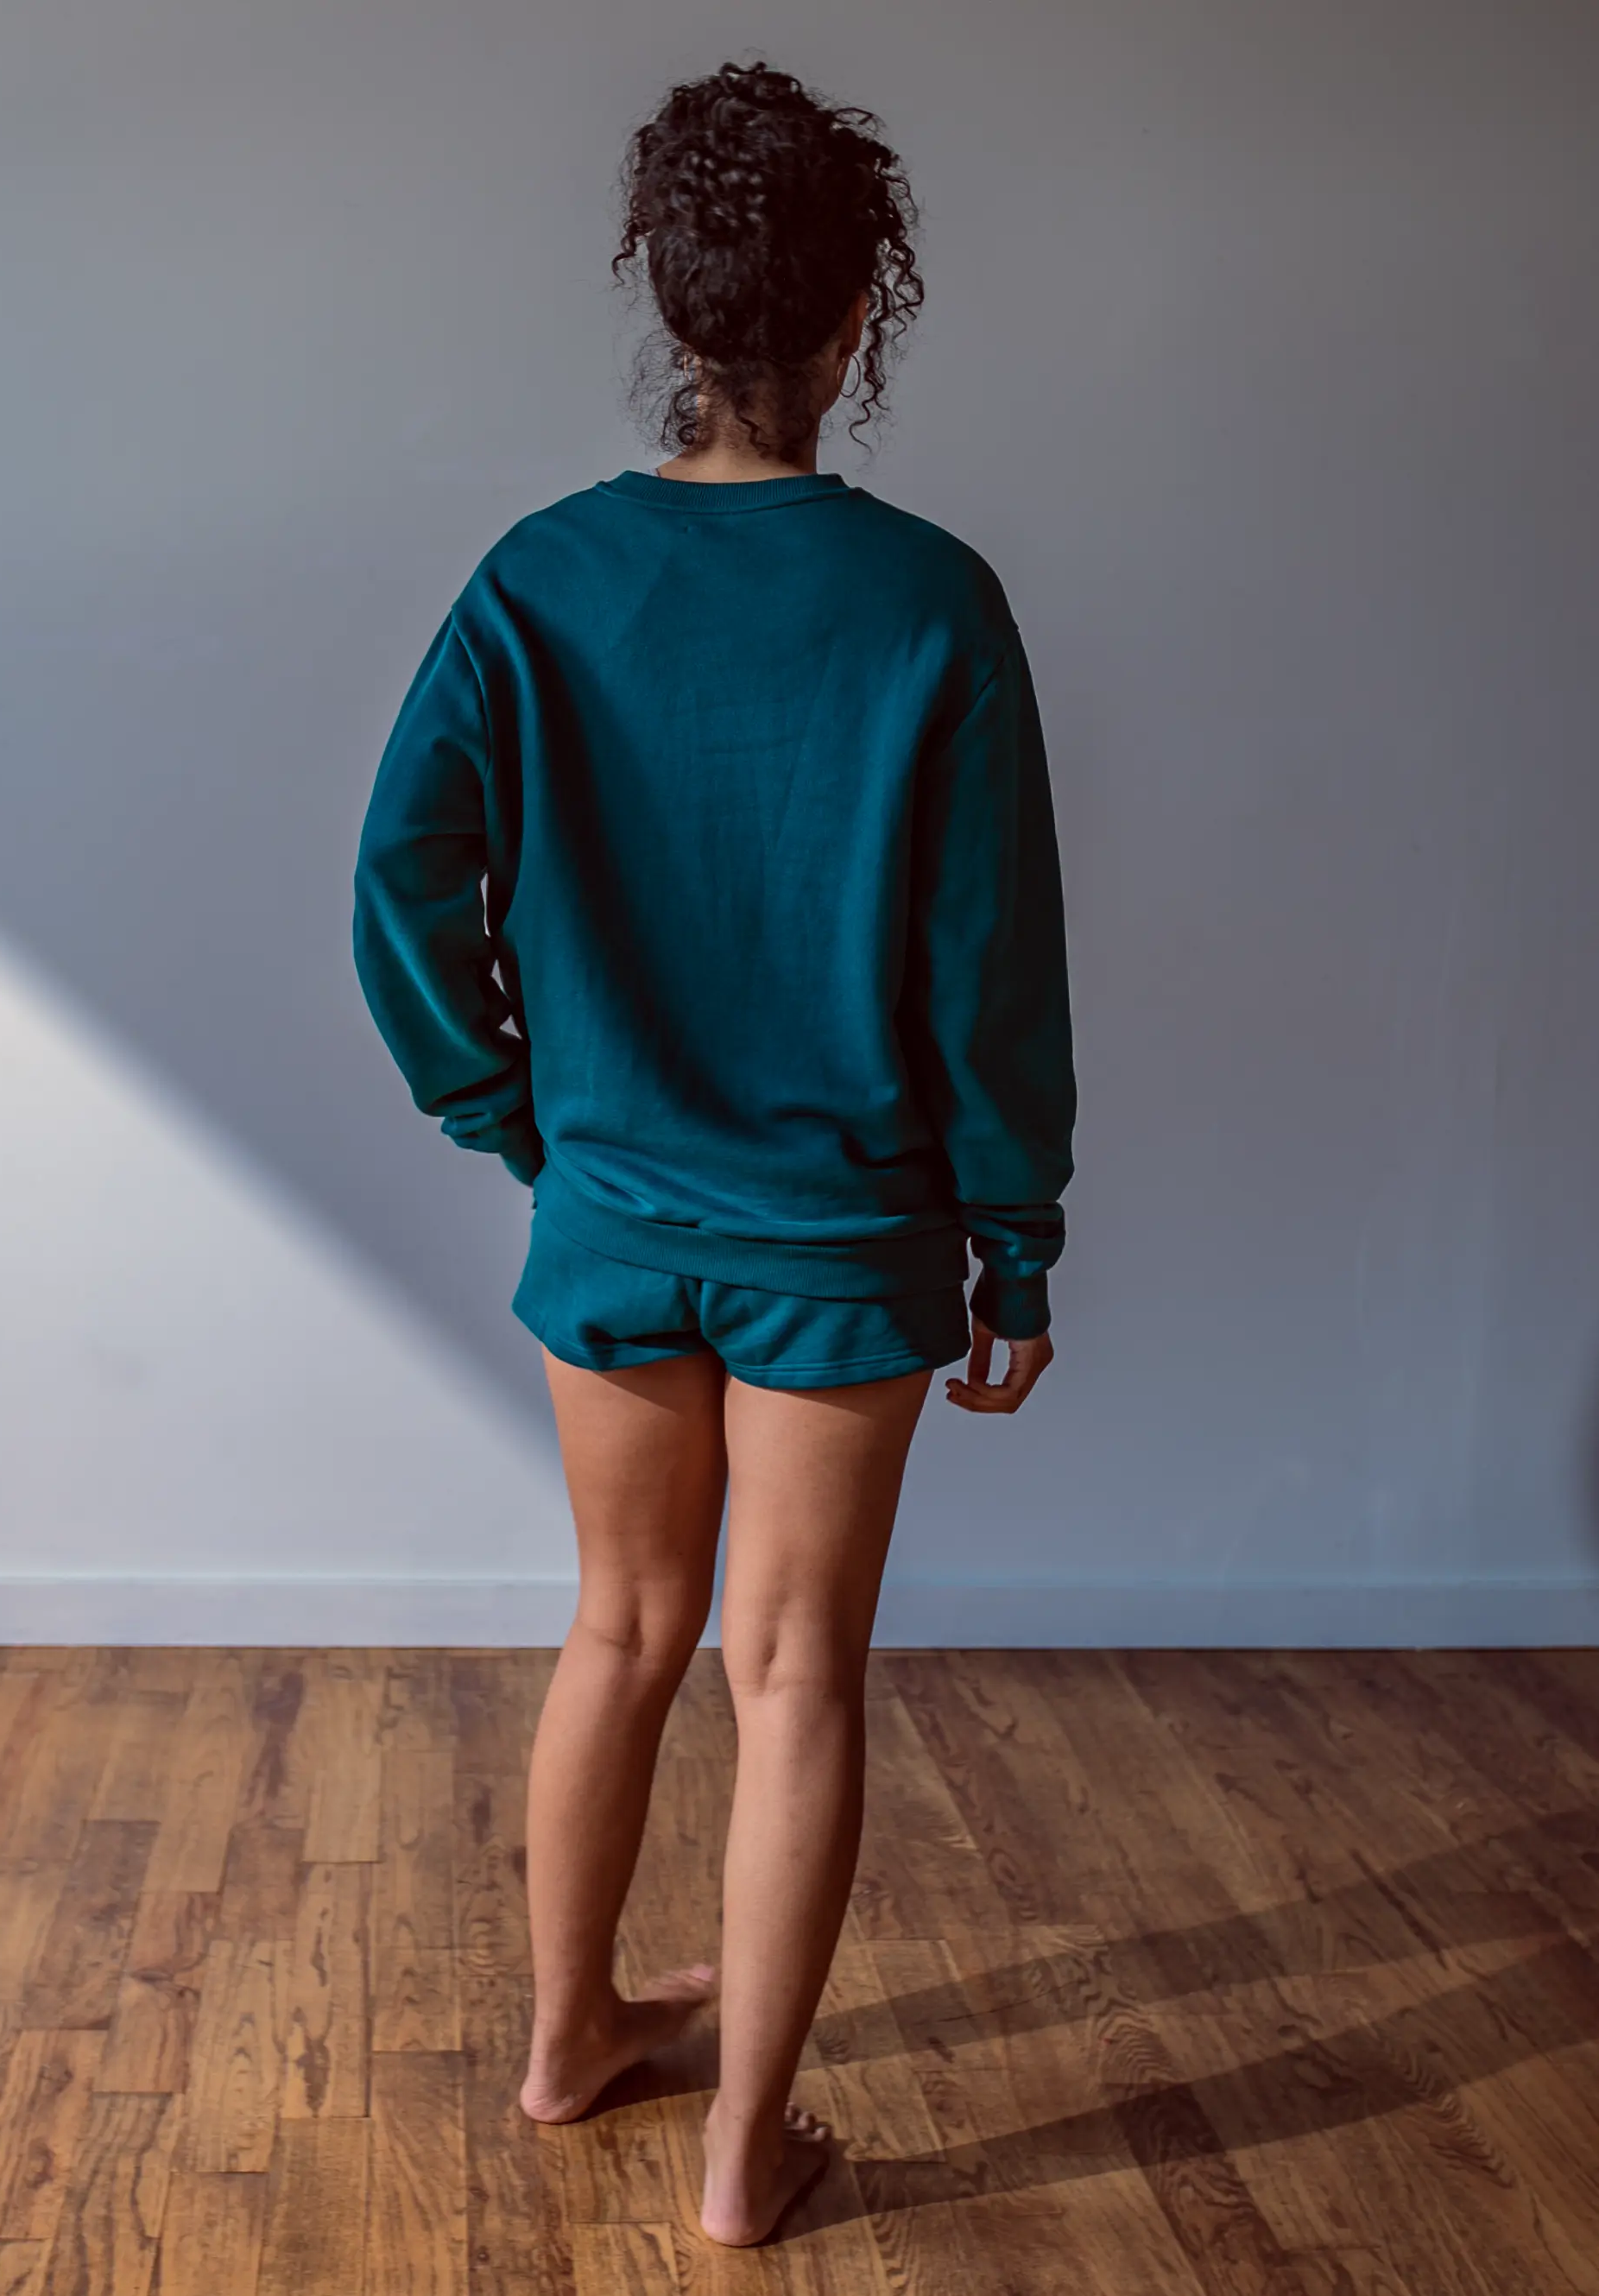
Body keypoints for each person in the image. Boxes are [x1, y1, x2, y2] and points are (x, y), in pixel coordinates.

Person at [351, 57, 1075, 2248]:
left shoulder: (539, 580)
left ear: (668, 303)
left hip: (613, 1211)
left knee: (619, 1636)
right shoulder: (931, 604)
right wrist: (1014, 1244)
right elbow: (987, 965)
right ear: (856, 321)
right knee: (794, 1674)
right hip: (845, 1244)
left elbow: (402, 880)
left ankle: (570, 2039)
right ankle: (748, 2156)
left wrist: (506, 1112)